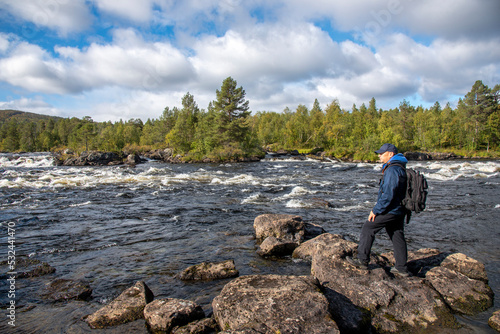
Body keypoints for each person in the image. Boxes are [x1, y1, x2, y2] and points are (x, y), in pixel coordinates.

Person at [346, 143, 411, 277]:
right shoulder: (399, 166)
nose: (379, 156)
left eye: (382, 153)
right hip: (400, 209)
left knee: (368, 228)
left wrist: (376, 210)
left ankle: (362, 260)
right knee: (397, 235)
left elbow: (388, 194)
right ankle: (402, 268)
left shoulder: (393, 169)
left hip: (391, 209)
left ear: (391, 154)